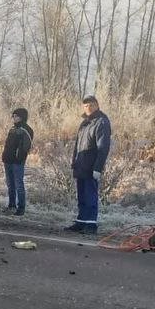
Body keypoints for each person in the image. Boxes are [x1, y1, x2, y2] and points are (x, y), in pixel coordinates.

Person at [66, 95, 111, 234]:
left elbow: (103, 147)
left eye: (91, 105)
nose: (88, 108)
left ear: (97, 105)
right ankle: (81, 221)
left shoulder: (101, 122)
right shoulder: (84, 123)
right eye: (85, 106)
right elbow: (78, 145)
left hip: (91, 166)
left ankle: (91, 224)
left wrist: (98, 168)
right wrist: (74, 161)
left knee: (90, 195)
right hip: (81, 164)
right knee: (82, 195)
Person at [1, 107, 33, 216]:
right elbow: (7, 144)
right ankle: (11, 205)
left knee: (19, 184)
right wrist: (4, 156)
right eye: (13, 116)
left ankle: (21, 208)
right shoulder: (12, 129)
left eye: (16, 116)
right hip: (8, 160)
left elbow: (26, 147)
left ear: (22, 117)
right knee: (10, 184)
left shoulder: (27, 129)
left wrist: (19, 158)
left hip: (17, 162)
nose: (14, 118)